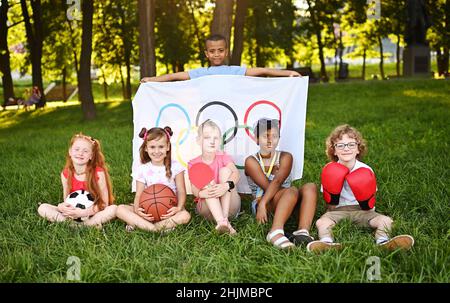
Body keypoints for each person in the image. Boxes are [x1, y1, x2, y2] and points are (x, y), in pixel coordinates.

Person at [307, 124, 415, 253]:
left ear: (358, 149)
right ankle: (326, 242)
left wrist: (363, 199)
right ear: (334, 150)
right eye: (340, 145)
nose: (346, 148)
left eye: (351, 145)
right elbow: (329, 203)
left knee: (386, 221)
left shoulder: (366, 170)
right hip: (338, 210)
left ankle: (383, 241)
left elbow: (370, 202)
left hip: (363, 210)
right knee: (321, 222)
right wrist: (329, 214)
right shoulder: (329, 170)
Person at [244, 118, 317, 250]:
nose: (271, 140)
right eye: (266, 136)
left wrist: (278, 179)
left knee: (310, 187)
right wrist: (262, 204)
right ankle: (275, 231)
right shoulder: (251, 161)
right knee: (292, 190)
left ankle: (302, 231)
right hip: (263, 202)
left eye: (275, 136)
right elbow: (268, 186)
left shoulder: (285, 157)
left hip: (287, 199)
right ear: (256, 139)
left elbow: (278, 182)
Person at [116, 127, 191, 232]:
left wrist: (178, 208)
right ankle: (158, 228)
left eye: (161, 147)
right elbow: (138, 194)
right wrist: (138, 210)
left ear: (168, 147)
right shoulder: (142, 169)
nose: (157, 151)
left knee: (185, 215)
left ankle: (146, 226)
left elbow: (181, 191)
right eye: (152, 147)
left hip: (168, 210)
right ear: (146, 148)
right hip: (147, 210)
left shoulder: (176, 167)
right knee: (120, 209)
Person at [140, 34, 301, 83]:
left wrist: (289, 73)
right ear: (207, 54)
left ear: (226, 52)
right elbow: (174, 76)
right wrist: (151, 79)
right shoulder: (201, 73)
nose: (216, 54)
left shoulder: (235, 71)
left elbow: (263, 70)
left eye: (220, 50)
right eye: (212, 51)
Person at [38, 133, 117, 228]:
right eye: (77, 149)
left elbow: (104, 203)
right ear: (70, 152)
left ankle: (82, 225)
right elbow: (67, 200)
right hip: (74, 213)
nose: (80, 153)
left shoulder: (98, 173)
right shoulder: (66, 174)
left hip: (95, 212)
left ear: (91, 156)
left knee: (113, 209)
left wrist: (84, 212)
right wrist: (61, 207)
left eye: (85, 151)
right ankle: (81, 225)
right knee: (43, 208)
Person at [188, 120, 241, 235]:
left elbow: (236, 173)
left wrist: (225, 186)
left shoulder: (223, 157)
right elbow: (194, 189)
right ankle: (222, 221)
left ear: (220, 141)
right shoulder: (193, 163)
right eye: (207, 137)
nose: (212, 141)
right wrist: (202, 194)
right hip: (208, 209)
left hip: (230, 206)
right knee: (204, 174)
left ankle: (224, 220)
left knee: (226, 171)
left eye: (216, 138)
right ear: (198, 140)